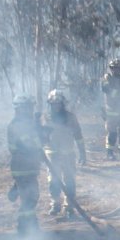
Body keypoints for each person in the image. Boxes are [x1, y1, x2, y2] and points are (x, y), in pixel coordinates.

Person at [43, 88, 86, 216]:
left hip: (68, 154)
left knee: (70, 181)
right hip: (51, 154)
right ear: (50, 104)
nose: (56, 106)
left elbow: (78, 135)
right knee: (53, 181)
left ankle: (69, 206)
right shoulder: (45, 118)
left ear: (63, 104)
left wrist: (82, 152)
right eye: (53, 104)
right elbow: (40, 136)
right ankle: (55, 204)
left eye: (58, 103)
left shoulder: (71, 118)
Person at [7, 94, 43, 234]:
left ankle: (16, 188)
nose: (29, 110)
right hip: (22, 166)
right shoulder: (16, 125)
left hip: (29, 166)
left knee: (31, 196)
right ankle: (24, 227)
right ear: (19, 109)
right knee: (30, 197)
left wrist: (38, 127)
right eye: (26, 107)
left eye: (30, 107)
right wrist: (41, 136)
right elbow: (30, 143)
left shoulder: (27, 122)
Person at [101, 58, 120, 160]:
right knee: (112, 134)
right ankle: (109, 153)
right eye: (114, 68)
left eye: (118, 68)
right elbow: (106, 89)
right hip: (110, 112)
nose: (116, 70)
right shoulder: (107, 78)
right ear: (111, 68)